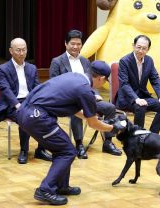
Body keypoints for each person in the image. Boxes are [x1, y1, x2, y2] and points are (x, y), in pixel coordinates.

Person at [17, 60, 127, 205]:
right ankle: (45, 190)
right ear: (100, 78)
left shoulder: (75, 77)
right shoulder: (85, 90)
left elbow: (76, 110)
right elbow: (93, 124)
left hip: (26, 113)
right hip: (38, 117)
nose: (104, 84)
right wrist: (114, 128)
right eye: (105, 81)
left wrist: (97, 119)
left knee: (62, 148)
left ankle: (61, 186)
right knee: (67, 151)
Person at [49, 29, 122, 159]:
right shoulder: (57, 61)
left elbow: (93, 80)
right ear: (66, 44)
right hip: (67, 102)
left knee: (110, 108)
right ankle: (79, 144)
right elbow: (53, 85)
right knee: (77, 109)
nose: (76, 47)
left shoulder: (85, 61)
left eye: (78, 44)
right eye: (72, 44)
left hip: (88, 98)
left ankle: (108, 142)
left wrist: (95, 93)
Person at [0, 38, 52, 164]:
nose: (21, 53)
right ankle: (24, 150)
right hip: (12, 104)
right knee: (25, 116)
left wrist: (41, 102)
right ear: (11, 51)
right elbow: (6, 91)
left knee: (47, 114)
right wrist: (18, 105)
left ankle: (41, 149)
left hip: (30, 101)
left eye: (24, 50)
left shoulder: (32, 68)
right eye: (18, 50)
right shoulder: (2, 69)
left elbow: (37, 88)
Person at [116, 35, 160, 134]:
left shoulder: (149, 60)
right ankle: (138, 135)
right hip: (128, 98)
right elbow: (124, 84)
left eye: (144, 48)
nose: (141, 51)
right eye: (138, 47)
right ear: (133, 46)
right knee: (140, 107)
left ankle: (153, 135)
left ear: (148, 49)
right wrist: (136, 99)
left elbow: (155, 79)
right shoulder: (124, 61)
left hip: (142, 96)